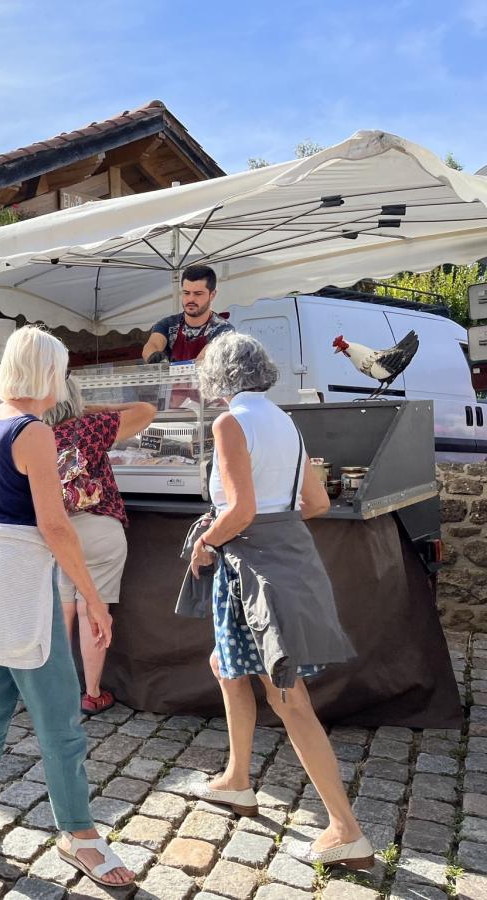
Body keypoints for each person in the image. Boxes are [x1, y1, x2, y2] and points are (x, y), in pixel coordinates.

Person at [0, 326, 134, 887]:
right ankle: (80, 836)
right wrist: (95, 601)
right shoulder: (33, 433)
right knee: (58, 717)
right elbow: (55, 526)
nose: (65, 380)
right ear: (46, 372)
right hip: (24, 582)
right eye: (62, 369)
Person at [184, 332, 371, 870]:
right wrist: (276, 516)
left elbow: (239, 510)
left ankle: (345, 830)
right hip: (288, 558)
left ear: (218, 375)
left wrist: (206, 542)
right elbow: (317, 502)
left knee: (288, 697)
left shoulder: (229, 422)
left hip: (250, 568)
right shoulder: (285, 421)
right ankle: (237, 779)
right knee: (227, 666)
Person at [44, 378, 156, 714]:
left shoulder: (35, 436)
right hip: (100, 529)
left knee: (62, 609)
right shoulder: (91, 426)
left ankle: (54, 690)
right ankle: (92, 693)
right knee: (93, 609)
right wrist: (90, 408)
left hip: (59, 533)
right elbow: (147, 411)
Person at [142, 264, 234, 363]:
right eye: (186, 293)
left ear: (212, 295)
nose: (190, 299)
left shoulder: (224, 330)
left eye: (198, 294)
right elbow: (152, 345)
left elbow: (203, 360)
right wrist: (154, 356)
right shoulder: (168, 324)